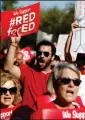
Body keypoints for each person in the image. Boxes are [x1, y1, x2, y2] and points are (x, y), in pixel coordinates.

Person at [4, 33, 56, 110]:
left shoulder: (57, 77)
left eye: (46, 54)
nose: (41, 56)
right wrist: (13, 45)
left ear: (52, 57)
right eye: (39, 53)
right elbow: (8, 68)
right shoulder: (27, 71)